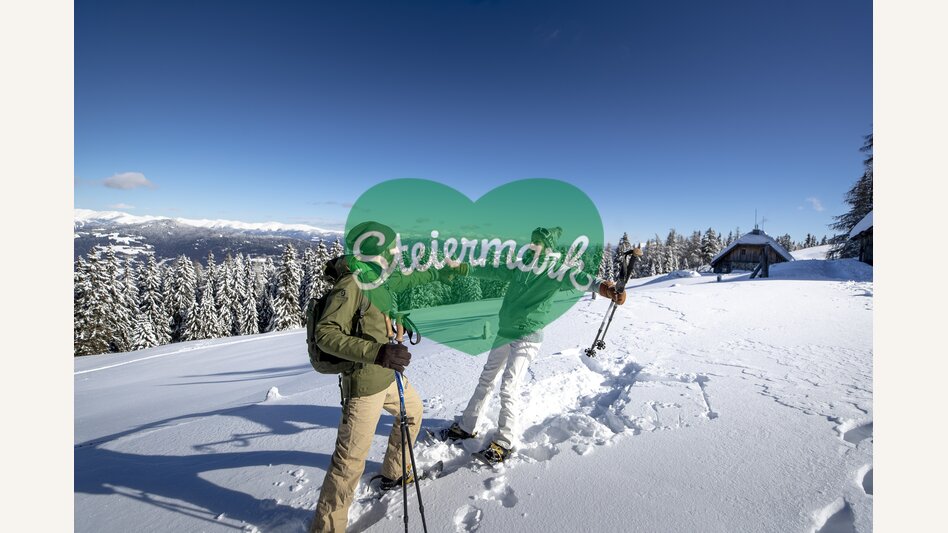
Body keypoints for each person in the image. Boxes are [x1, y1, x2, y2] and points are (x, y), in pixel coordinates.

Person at [442, 227, 634, 464]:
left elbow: (582, 279)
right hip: (505, 331)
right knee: (486, 379)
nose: (533, 244)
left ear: (549, 246)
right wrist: (462, 267)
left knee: (509, 386)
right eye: (532, 240)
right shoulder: (520, 265)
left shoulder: (556, 270)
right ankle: (467, 426)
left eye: (539, 242)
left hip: (527, 336)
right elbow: (492, 269)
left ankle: (504, 441)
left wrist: (606, 288)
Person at [310, 221, 454, 533]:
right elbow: (325, 333)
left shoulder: (379, 277)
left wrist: (446, 272)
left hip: (388, 377)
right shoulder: (352, 284)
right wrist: (378, 353)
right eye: (391, 249)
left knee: (412, 412)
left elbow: (411, 279)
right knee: (349, 463)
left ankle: (395, 472)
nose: (395, 255)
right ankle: (327, 528)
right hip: (363, 383)